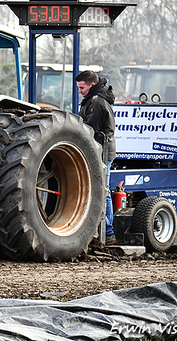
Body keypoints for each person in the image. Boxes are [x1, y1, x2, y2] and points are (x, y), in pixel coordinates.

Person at [76, 70, 116, 245]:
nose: (79, 91)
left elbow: (89, 129)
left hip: (102, 150)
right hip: (99, 149)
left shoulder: (97, 102)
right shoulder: (91, 100)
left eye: (82, 88)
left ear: (91, 85)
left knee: (103, 190)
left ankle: (108, 232)